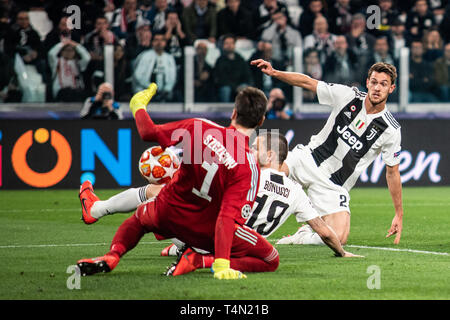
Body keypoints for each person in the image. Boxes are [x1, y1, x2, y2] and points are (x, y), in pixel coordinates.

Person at [77, 83, 277, 280]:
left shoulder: (200, 127)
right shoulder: (248, 167)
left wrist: (138, 106)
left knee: (139, 218)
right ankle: (201, 260)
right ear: (261, 121)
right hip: (205, 234)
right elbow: (226, 218)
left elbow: (148, 132)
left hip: (167, 212)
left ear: (234, 113)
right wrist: (222, 264)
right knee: (271, 259)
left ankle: (113, 255)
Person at [81, 132, 362, 268]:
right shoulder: (296, 191)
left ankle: (97, 208)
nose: (251, 149)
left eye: (257, 147)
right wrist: (341, 252)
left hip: (214, 231)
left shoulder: (247, 176)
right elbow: (324, 230)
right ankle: (187, 252)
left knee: (167, 192)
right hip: (244, 246)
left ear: (271, 156)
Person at [251, 58, 404, 246]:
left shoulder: (390, 129)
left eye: (383, 84)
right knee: (268, 175)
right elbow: (308, 82)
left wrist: (398, 213)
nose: (377, 88)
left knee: (339, 238)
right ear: (367, 83)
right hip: (307, 159)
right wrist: (275, 72)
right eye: (374, 82)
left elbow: (392, 172)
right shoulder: (348, 96)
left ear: (392, 89)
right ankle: (238, 220)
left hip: (333, 185)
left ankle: (302, 235)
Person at [132, 32, 177, 101]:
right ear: (152, 42)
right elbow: (138, 76)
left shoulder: (169, 58)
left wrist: (166, 89)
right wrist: (151, 88)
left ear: (165, 43)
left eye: (162, 40)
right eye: (156, 40)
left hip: (164, 93)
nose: (159, 43)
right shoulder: (145, 56)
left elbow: (172, 77)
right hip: (145, 90)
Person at [213, 34, 252, 102]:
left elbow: (247, 75)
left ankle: (245, 110)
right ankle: (225, 111)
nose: (229, 45)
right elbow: (221, 79)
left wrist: (244, 85)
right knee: (225, 89)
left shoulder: (240, 59)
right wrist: (235, 87)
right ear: (223, 46)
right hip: (227, 86)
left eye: (231, 43)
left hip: (240, 85)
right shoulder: (220, 61)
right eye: (227, 43)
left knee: (245, 88)